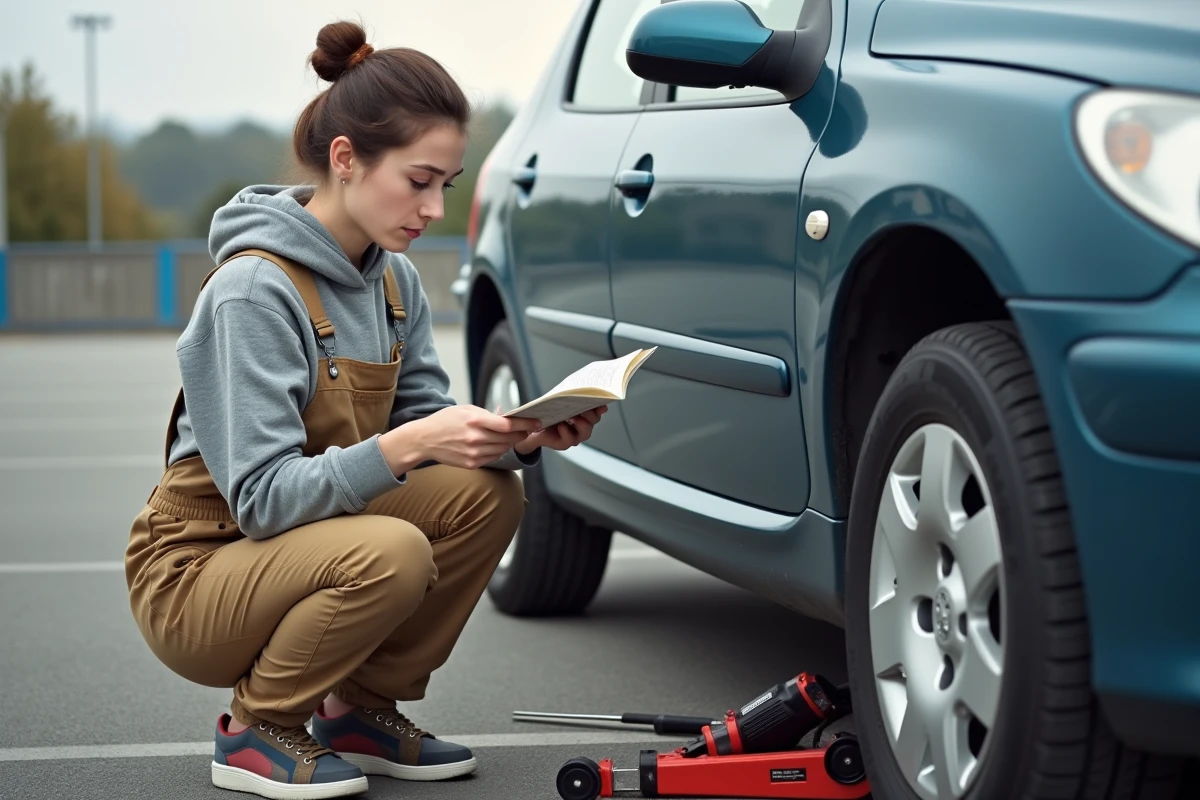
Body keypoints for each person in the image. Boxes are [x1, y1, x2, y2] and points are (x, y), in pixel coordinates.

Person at [124, 20, 607, 800]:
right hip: (198, 570)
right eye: (418, 181)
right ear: (345, 159)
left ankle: (357, 710)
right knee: (392, 549)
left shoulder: (393, 282)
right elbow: (263, 501)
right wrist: (411, 442)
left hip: (303, 544)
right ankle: (254, 730)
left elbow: (431, 436)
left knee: (490, 495)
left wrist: (522, 437)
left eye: (446, 185)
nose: (435, 209)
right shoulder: (253, 291)